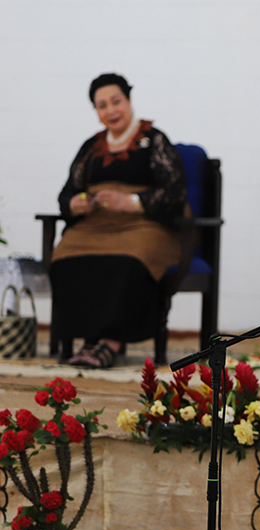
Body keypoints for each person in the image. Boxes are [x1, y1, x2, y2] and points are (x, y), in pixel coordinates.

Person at [49, 73, 188, 368]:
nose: (111, 111)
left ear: (129, 100)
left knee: (128, 259)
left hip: (144, 224)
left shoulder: (154, 140)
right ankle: (88, 338)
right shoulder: (91, 147)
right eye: (102, 105)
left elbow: (174, 190)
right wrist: (74, 204)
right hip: (95, 225)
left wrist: (132, 202)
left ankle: (112, 341)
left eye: (116, 102)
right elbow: (68, 191)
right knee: (64, 255)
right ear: (96, 111)